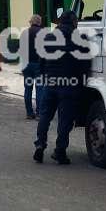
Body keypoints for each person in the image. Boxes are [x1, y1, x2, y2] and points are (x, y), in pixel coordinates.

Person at [34, 9, 88, 165]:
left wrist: (45, 76)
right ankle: (60, 151)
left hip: (51, 83)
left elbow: (41, 61)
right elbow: (84, 65)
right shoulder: (79, 39)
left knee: (45, 116)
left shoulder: (49, 37)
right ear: (74, 22)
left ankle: (40, 144)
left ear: (59, 21)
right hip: (69, 85)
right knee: (65, 121)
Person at [20, 14, 44, 119]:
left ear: (31, 22)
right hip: (39, 64)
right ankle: (39, 113)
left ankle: (29, 113)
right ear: (39, 22)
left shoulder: (24, 33)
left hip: (27, 64)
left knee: (28, 89)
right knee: (40, 89)